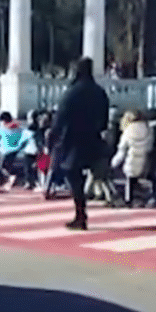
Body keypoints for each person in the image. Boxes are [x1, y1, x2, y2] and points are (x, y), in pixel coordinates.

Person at [49, 57, 110, 230]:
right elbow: (104, 119)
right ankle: (83, 210)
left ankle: (80, 214)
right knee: (89, 172)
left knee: (73, 176)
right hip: (93, 139)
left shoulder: (72, 92)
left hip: (73, 140)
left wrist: (54, 136)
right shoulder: (99, 91)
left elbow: (60, 117)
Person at [111, 110, 154, 208]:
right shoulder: (148, 129)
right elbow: (150, 147)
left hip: (131, 162)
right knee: (144, 179)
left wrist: (113, 164)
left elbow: (121, 151)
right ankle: (146, 198)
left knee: (130, 181)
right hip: (145, 162)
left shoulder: (127, 132)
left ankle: (129, 200)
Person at [0, 111, 33, 190]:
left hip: (7, 151)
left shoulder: (4, 128)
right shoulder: (17, 127)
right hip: (16, 150)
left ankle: (12, 177)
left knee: (2, 166)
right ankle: (10, 182)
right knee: (8, 166)